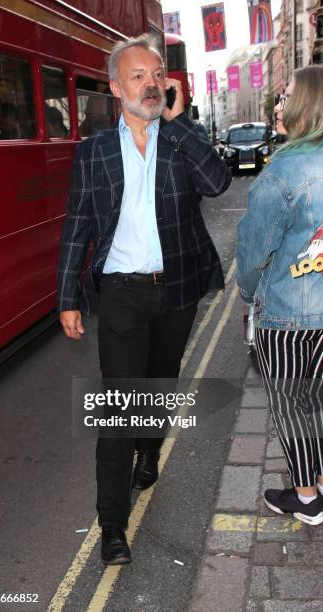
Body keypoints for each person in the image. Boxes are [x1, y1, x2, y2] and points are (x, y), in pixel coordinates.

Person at [58, 35, 231, 565]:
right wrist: (67, 295)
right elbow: (78, 225)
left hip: (176, 288)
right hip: (121, 296)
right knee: (117, 413)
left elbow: (219, 181)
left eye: (157, 74)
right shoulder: (93, 151)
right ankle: (113, 523)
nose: (151, 83)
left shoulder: (180, 138)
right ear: (115, 88)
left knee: (159, 387)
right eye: (138, 76)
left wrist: (179, 125)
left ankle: (151, 448)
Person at [237, 65, 323, 526]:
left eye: (286, 96)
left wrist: (249, 295)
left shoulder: (283, 171)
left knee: (293, 403)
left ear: (306, 105)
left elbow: (252, 252)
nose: (278, 105)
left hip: (288, 318)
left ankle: (307, 496)